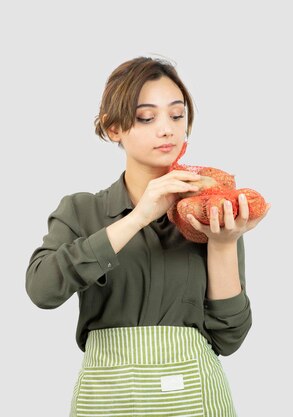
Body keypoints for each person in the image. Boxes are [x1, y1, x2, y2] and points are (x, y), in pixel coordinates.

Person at [25, 56, 270, 417]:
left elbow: (229, 337)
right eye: (146, 117)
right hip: (105, 400)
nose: (167, 129)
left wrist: (222, 243)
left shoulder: (210, 214)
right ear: (113, 129)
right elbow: (42, 290)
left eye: (176, 115)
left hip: (194, 398)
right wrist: (139, 217)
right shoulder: (81, 210)